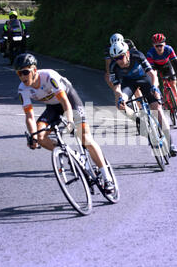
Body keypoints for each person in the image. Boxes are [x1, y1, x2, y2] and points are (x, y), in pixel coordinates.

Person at [14, 53, 115, 193]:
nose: (23, 77)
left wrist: (70, 121)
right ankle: (70, 154)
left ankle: (107, 178)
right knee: (40, 135)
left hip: (69, 100)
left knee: (85, 137)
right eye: (19, 73)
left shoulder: (49, 77)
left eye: (25, 72)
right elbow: (29, 116)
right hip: (53, 107)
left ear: (34, 70)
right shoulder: (22, 89)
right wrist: (33, 136)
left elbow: (64, 101)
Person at [108, 41, 177, 157]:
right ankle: (139, 121)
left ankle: (170, 143)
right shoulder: (113, 66)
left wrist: (155, 87)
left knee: (157, 109)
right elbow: (116, 87)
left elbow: (151, 73)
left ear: (127, 54)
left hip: (144, 79)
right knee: (121, 106)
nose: (118, 61)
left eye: (120, 57)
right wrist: (122, 97)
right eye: (115, 59)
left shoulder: (137, 55)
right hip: (129, 84)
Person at [146, 33, 177, 119]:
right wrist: (154, 82)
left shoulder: (169, 49)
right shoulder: (150, 53)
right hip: (155, 67)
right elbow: (152, 70)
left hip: (167, 66)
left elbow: (176, 64)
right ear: (153, 45)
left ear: (165, 44)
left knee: (173, 85)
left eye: (161, 45)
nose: (159, 48)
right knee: (155, 82)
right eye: (157, 46)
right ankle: (161, 99)